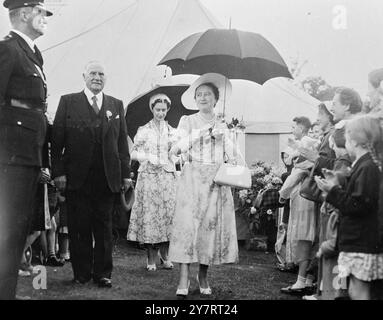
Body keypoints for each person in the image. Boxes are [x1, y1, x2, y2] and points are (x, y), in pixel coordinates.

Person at [51, 61, 131, 288]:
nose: (97, 77)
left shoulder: (116, 105)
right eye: (93, 73)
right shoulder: (68, 102)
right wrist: (58, 173)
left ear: (106, 78)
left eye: (101, 74)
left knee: (105, 229)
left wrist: (125, 175)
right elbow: (56, 143)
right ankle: (82, 273)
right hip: (77, 178)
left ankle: (103, 274)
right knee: (79, 228)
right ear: (83, 76)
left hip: (107, 179)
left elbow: (122, 144)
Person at [168, 73, 241, 298]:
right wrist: (198, 134)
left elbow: (236, 158)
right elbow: (174, 150)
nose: (202, 98)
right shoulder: (187, 121)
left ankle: (203, 276)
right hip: (192, 181)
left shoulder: (223, 124)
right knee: (187, 229)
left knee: (208, 230)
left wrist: (226, 139)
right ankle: (183, 278)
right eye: (199, 95)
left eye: (207, 94)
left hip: (215, 182)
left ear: (215, 99)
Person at [0, 0, 52, 300]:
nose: (45, 18)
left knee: (18, 231)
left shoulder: (33, 54)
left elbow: (38, 111)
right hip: (10, 155)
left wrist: (43, 158)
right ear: (23, 14)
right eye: (41, 12)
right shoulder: (7, 49)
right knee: (6, 232)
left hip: (28, 154)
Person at [316, 115, 383, 300]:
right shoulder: (366, 164)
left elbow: (359, 204)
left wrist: (333, 191)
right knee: (352, 290)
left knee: (359, 292)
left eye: (346, 139)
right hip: (358, 242)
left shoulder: (367, 167)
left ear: (354, 141)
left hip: (361, 242)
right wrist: (338, 181)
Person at [127, 93, 178, 271]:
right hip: (148, 177)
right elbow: (132, 153)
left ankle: (165, 255)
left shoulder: (173, 131)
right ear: (152, 109)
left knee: (167, 216)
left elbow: (178, 154)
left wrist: (175, 154)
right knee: (149, 216)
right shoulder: (144, 130)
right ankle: (150, 257)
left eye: (164, 110)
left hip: (167, 178)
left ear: (168, 110)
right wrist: (148, 156)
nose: (161, 113)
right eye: (157, 110)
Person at [280, 116, 317, 295]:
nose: (292, 129)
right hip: (305, 193)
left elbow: (297, 171)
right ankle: (308, 277)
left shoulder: (307, 142)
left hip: (305, 194)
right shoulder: (302, 143)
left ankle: (302, 279)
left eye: (294, 126)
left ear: (302, 128)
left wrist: (283, 193)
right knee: (307, 234)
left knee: (304, 234)